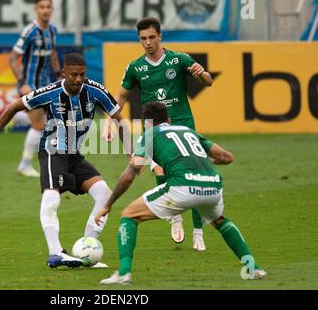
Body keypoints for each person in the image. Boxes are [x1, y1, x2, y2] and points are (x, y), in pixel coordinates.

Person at [0, 53, 131, 268]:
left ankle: (87, 248)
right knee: (52, 197)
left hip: (74, 156)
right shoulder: (50, 93)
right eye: (73, 75)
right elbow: (14, 107)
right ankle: (55, 253)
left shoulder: (95, 90)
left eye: (82, 74)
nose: (78, 79)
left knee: (104, 195)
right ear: (64, 73)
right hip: (52, 151)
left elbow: (119, 119)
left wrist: (129, 152)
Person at [96, 102, 266, 284]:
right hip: (213, 186)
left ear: (147, 123)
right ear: (168, 120)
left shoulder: (149, 135)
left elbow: (131, 172)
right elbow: (226, 157)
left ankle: (123, 273)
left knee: (129, 215)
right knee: (220, 221)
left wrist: (108, 205)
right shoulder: (188, 131)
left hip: (182, 187)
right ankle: (252, 268)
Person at [102, 17, 213, 251]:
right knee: (160, 170)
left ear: (160, 36)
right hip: (153, 128)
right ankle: (175, 217)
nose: (148, 42)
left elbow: (208, 82)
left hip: (182, 124)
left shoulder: (178, 59)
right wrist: (108, 122)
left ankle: (198, 232)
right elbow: (120, 97)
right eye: (143, 38)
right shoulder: (135, 67)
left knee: (191, 176)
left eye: (152, 37)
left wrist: (202, 73)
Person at [9, 0, 62, 177]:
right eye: (42, 7)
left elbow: (53, 54)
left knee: (47, 121)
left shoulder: (53, 31)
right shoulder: (30, 31)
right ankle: (24, 165)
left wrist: (58, 76)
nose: (46, 10)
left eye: (48, 6)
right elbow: (13, 57)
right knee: (40, 126)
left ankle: (18, 118)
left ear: (52, 9)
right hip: (30, 84)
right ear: (36, 9)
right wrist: (22, 83)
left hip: (46, 83)